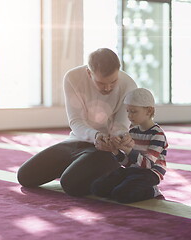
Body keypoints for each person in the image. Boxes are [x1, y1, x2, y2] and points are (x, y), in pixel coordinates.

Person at [17, 48, 137, 197]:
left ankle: (107, 170)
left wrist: (120, 137)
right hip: (78, 141)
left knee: (71, 185)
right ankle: (79, 166)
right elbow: (76, 121)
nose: (108, 88)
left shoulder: (129, 85)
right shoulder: (73, 77)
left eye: (113, 82)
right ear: (89, 73)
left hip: (106, 151)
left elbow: (120, 126)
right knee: (25, 176)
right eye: (101, 83)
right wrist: (96, 136)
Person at [91, 88, 168, 203]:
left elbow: (147, 165)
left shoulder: (158, 135)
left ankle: (152, 190)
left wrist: (126, 149)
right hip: (134, 170)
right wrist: (115, 151)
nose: (129, 115)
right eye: (128, 111)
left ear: (149, 111)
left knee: (121, 194)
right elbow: (127, 163)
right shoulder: (132, 132)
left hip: (150, 173)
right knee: (97, 188)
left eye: (133, 111)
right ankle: (130, 184)